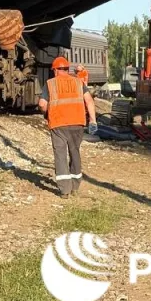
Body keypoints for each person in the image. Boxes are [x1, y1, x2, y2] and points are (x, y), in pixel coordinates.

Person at [38, 56, 97, 197]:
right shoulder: (78, 82)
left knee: (60, 154)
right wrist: (93, 120)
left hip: (58, 124)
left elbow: (42, 104)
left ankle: (65, 190)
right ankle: (75, 185)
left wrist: (47, 113)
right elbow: (89, 100)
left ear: (56, 70)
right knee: (74, 152)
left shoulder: (50, 84)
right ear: (67, 69)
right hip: (77, 123)